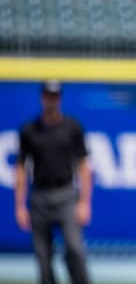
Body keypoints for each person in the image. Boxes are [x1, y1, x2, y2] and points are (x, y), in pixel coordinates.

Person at [15, 79, 93, 284]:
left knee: (74, 248)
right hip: (40, 195)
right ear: (42, 97)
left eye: (55, 96)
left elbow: (84, 166)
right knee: (43, 256)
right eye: (48, 96)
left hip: (66, 194)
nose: (52, 100)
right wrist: (20, 205)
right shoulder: (29, 130)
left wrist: (84, 202)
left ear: (60, 98)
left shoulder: (72, 127)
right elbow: (21, 168)